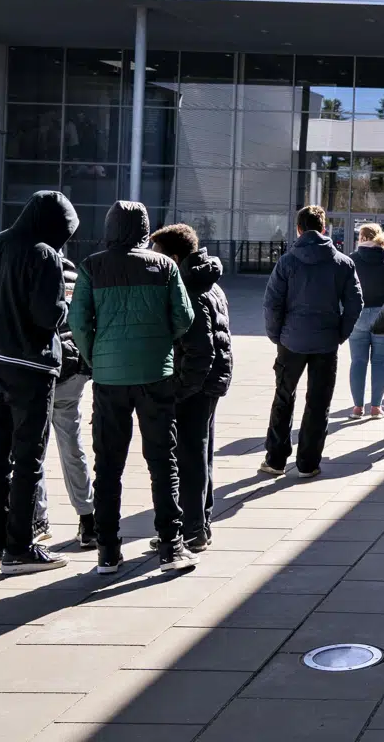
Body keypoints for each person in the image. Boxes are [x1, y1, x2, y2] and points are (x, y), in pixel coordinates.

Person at [70, 200, 197, 574]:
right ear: (144, 229)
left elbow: (79, 322)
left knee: (108, 465)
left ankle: (108, 551)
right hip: (155, 373)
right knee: (162, 460)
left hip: (109, 378)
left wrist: (96, 357)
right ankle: (171, 546)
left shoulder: (91, 266)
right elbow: (184, 316)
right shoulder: (164, 266)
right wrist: (160, 342)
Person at [0, 190, 79, 574]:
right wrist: (65, 304)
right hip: (30, 367)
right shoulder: (44, 255)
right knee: (28, 457)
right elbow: (48, 315)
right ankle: (20, 547)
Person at [261, 205, 362, 479]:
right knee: (318, 402)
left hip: (291, 340)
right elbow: (355, 303)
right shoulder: (342, 262)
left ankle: (275, 460)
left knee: (283, 397)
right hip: (326, 341)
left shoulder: (287, 262)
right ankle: (308, 463)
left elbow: (272, 303)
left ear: (299, 229)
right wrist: (340, 333)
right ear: (324, 228)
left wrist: (276, 335)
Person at [149, 224, 232, 554]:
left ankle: (193, 530)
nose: (153, 261)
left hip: (195, 385)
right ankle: (200, 525)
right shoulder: (205, 280)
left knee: (190, 457)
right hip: (208, 382)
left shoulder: (190, 287)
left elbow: (200, 350)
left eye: (157, 255)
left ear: (173, 257)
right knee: (200, 453)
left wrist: (180, 388)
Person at [32, 254, 97, 551]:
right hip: (73, 367)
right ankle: (87, 519)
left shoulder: (31, 272)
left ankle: (38, 519)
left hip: (40, 368)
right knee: (72, 445)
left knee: (32, 449)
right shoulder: (76, 275)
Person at [348, 224, 384, 419]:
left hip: (358, 315)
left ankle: (357, 407)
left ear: (362, 238)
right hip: (382, 316)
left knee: (358, 361)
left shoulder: (352, 259)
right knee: (380, 361)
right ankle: (376, 407)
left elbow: (344, 288)